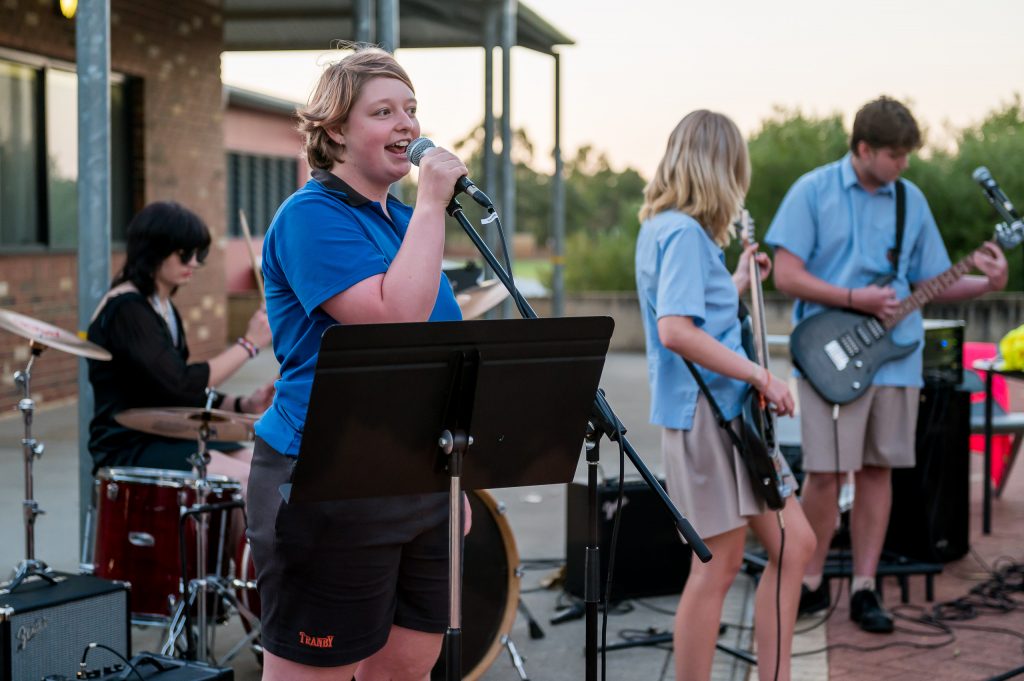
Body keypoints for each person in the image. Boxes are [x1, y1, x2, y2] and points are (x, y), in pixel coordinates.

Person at [248, 46, 469, 680]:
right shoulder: (310, 216)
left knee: (409, 667)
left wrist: (458, 481)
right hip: (326, 479)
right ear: (335, 129)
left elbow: (439, 355)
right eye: (383, 111)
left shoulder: (404, 222)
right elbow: (393, 321)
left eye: (412, 109)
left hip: (420, 477)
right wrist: (431, 204)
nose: (407, 125)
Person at [765, 96, 1009, 633]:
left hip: (897, 361)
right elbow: (785, 275)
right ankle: (808, 581)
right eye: (895, 155)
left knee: (878, 471)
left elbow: (933, 282)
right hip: (827, 356)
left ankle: (865, 587)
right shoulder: (812, 191)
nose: (903, 164)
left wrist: (987, 281)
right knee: (825, 476)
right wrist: (856, 298)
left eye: (907, 155)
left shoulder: (910, 200)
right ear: (863, 148)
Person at [635, 110, 816, 681]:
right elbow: (676, 329)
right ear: (724, 167)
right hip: (711, 419)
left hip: (717, 419)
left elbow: (693, 313)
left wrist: (735, 282)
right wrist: (763, 376)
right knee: (721, 567)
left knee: (791, 545)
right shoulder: (685, 235)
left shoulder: (664, 228)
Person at [87, 201, 273, 492]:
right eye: (185, 254)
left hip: (164, 434)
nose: (194, 263)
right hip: (129, 442)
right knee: (248, 479)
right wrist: (248, 345)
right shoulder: (127, 309)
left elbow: (174, 389)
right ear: (153, 250)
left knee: (263, 467)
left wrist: (242, 405)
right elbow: (179, 384)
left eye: (199, 254)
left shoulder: (162, 306)